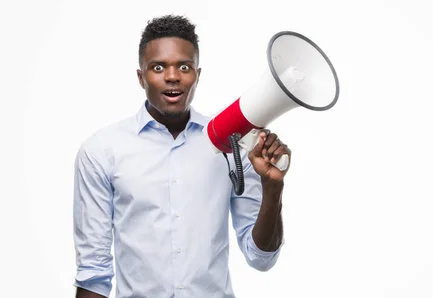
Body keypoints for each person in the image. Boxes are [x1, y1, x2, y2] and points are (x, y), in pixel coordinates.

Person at [72, 14, 289, 298]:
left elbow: (260, 258)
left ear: (198, 75)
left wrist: (273, 188)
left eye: (184, 66)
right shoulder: (102, 150)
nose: (172, 76)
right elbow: (93, 273)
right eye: (158, 67)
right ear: (141, 77)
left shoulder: (234, 147)